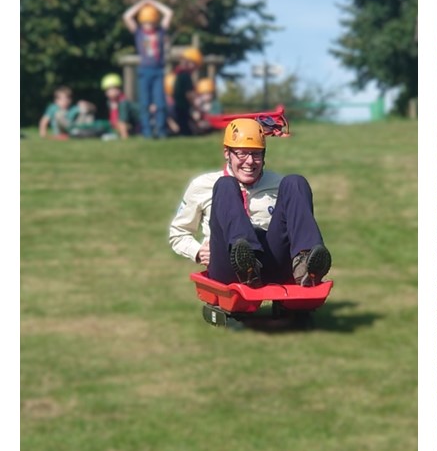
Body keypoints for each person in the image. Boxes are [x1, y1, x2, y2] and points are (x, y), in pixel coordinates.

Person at [168, 118, 332, 288]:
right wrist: (197, 251)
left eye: (256, 154)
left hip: (272, 260)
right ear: (227, 153)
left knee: (295, 182)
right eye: (242, 153)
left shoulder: (278, 184)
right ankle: (245, 264)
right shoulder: (202, 185)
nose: (249, 161)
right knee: (226, 185)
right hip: (227, 263)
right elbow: (178, 233)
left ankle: (307, 264)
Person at [122, 0, 174, 138]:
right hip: (144, 71)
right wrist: (142, 3)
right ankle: (147, 132)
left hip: (158, 71)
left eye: (151, 22)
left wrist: (153, 3)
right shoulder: (139, 32)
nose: (148, 26)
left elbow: (169, 13)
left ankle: (161, 130)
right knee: (144, 103)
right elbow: (127, 16)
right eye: (145, 22)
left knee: (160, 103)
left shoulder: (161, 31)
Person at [170, 47, 202, 136]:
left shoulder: (178, 73)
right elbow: (189, 94)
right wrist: (196, 107)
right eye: (195, 65)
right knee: (187, 130)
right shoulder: (186, 75)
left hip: (178, 106)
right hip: (182, 107)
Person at [102, 73, 140, 140]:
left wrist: (124, 136)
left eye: (114, 89)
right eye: (108, 89)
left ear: (118, 90)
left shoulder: (123, 102)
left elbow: (122, 121)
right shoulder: (110, 103)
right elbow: (114, 120)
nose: (111, 92)